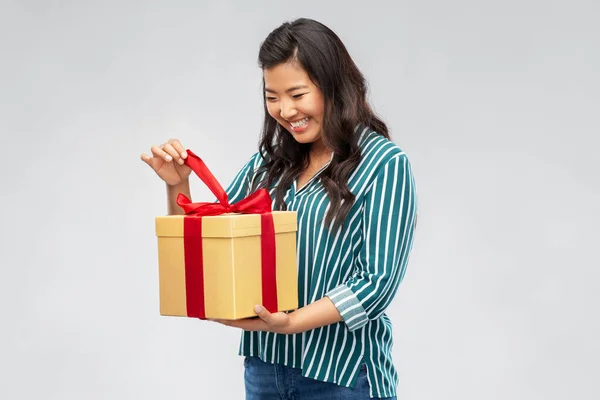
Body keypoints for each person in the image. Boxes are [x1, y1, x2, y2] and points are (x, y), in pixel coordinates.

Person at [141, 17, 417, 400]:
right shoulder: (268, 164)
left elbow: (376, 283)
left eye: (298, 94)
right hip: (265, 370)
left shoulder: (384, 164)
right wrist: (178, 184)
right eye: (272, 97)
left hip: (343, 374)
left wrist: (292, 322)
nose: (285, 110)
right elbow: (203, 249)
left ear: (333, 86)